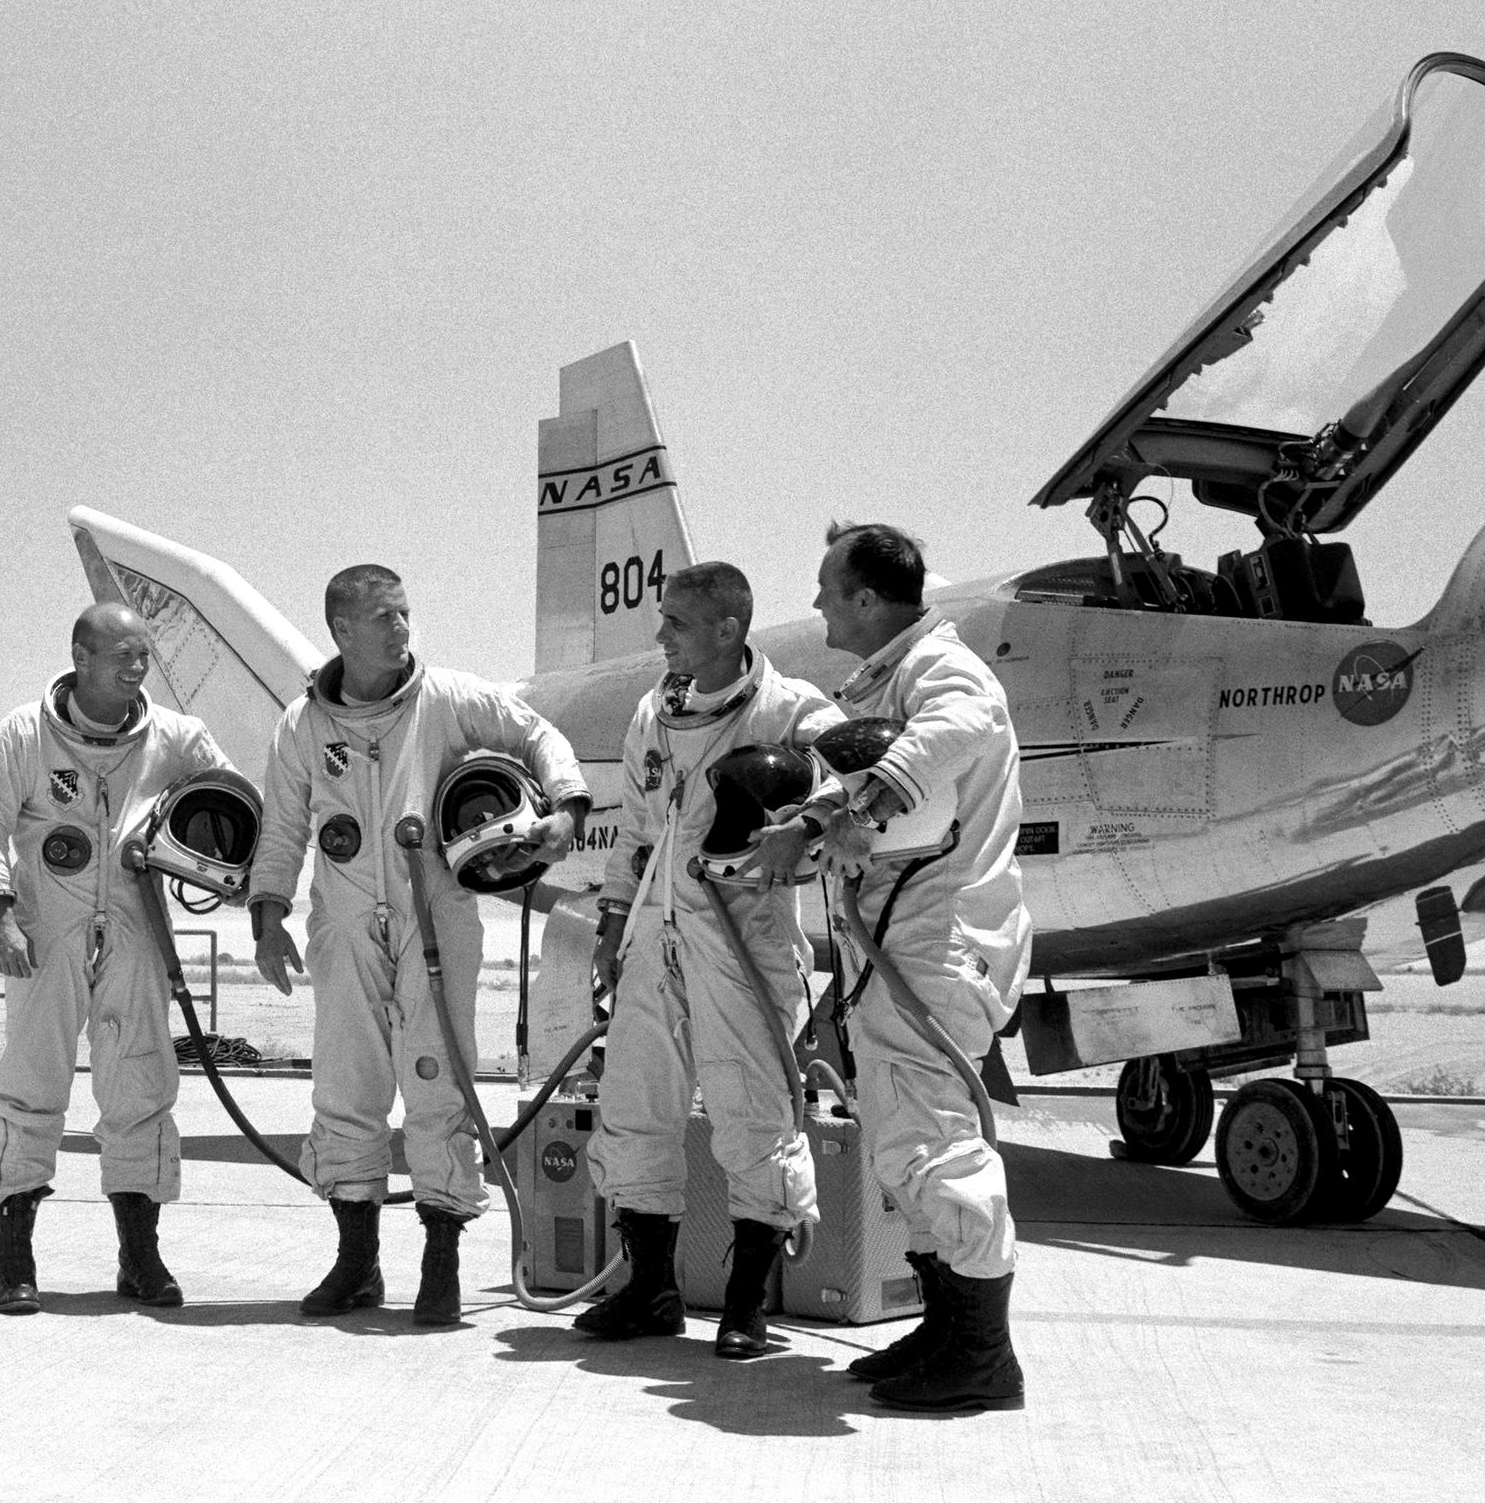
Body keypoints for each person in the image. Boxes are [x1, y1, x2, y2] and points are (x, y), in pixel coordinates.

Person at [251, 565, 589, 1326]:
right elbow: (282, 825)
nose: (402, 628)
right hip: (343, 919)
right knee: (346, 1084)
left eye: (404, 614)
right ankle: (357, 1261)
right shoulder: (304, 725)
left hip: (434, 910)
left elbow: (537, 734)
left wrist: (565, 807)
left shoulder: (447, 699)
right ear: (342, 630)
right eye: (384, 618)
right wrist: (266, 915)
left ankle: (442, 1260)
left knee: (439, 1080)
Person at [755, 522, 1032, 1411]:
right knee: (900, 1138)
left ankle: (985, 1356)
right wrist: (818, 815)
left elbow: (960, 727)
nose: (817, 605)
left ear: (869, 599)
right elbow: (864, 779)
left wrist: (854, 806)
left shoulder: (946, 671)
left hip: (941, 942)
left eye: (827, 589)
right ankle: (948, 1327)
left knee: (938, 1143)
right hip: (899, 944)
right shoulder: (889, 678)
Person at [577, 562, 846, 1359]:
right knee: (634, 1103)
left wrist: (807, 813)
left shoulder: (791, 708)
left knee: (753, 1112)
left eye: (678, 624)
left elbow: (848, 780)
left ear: (728, 630)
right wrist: (612, 923)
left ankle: (745, 1308)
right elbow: (633, 831)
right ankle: (653, 1291)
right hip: (655, 932)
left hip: (745, 937)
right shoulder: (651, 714)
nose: (661, 637)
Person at [0, 601, 233, 1315]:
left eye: (144, 652)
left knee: (142, 1080)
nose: (138, 664)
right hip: (47, 923)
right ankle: (12, 1257)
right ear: (81, 657)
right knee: (31, 1080)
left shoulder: (174, 737)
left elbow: (232, 808)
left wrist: (205, 851)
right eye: (123, 653)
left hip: (137, 923)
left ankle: (139, 1255)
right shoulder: (25, 734)